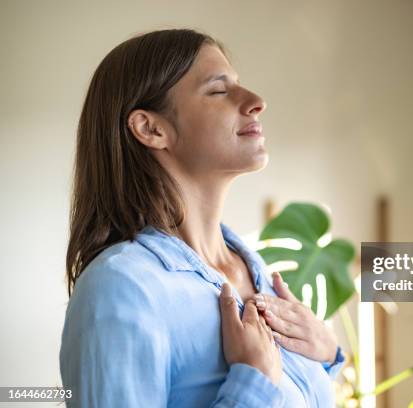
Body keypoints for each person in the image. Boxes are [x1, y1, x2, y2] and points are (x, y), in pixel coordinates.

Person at [60, 28, 344, 407]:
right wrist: (251, 385)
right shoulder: (120, 289)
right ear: (151, 128)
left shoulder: (258, 271)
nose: (257, 101)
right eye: (218, 91)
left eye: (239, 85)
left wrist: (325, 358)